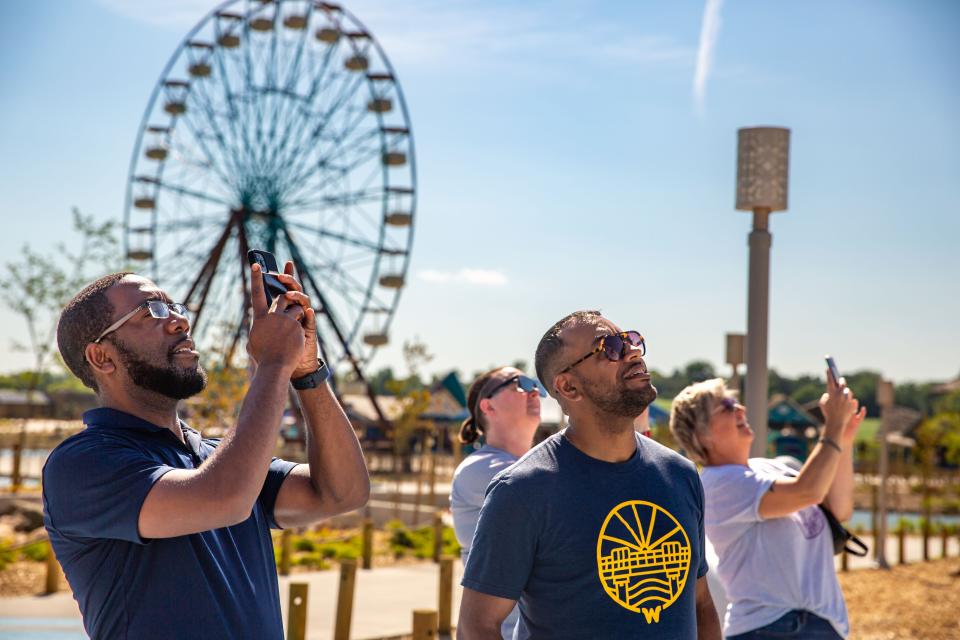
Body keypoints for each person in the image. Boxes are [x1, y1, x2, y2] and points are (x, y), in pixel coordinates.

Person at [42, 262, 370, 639]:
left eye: (176, 307)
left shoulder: (219, 457)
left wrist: (306, 373)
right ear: (101, 357)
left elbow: (343, 492)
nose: (180, 322)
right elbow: (224, 499)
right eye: (152, 310)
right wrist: (274, 363)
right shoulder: (82, 463)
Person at [458, 310, 721, 639]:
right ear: (568, 386)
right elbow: (476, 627)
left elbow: (702, 606)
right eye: (610, 347)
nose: (633, 352)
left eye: (631, 340)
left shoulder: (680, 474)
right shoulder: (523, 490)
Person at [668, 375, 865, 639]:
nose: (741, 409)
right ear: (702, 435)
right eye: (726, 405)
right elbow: (808, 491)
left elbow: (839, 509)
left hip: (817, 625)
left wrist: (843, 437)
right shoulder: (718, 484)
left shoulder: (767, 469)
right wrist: (833, 426)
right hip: (772, 629)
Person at [451, 366, 545, 639]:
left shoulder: (537, 467)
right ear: (488, 406)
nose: (534, 390)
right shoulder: (478, 470)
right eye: (521, 383)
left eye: (535, 384)